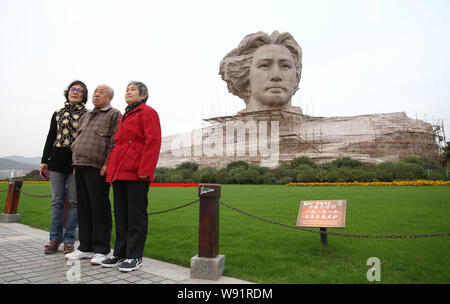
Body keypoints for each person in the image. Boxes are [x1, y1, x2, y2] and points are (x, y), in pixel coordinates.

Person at [101, 81, 161, 272]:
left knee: (136, 216)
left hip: (136, 173)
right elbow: (118, 144)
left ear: (143, 95)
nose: (128, 92)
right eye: (126, 90)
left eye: (132, 89)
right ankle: (120, 253)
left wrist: (145, 170)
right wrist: (111, 169)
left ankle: (134, 256)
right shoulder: (125, 114)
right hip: (119, 172)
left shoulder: (147, 112)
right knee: (121, 215)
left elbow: (153, 141)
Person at [65, 84, 122, 265]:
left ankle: (101, 249)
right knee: (84, 208)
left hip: (98, 167)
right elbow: (78, 138)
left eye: (101, 92)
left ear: (110, 98)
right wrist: (75, 161)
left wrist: (107, 163)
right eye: (95, 92)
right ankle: (85, 247)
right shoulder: (87, 114)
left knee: (99, 208)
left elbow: (114, 142)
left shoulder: (114, 114)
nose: (97, 95)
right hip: (80, 165)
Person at [41, 80, 88, 254]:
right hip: (57, 160)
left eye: (79, 90)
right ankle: (54, 238)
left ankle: (69, 240)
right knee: (57, 201)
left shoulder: (87, 114)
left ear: (84, 95)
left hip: (76, 161)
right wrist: (44, 159)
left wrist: (80, 160)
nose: (74, 92)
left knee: (74, 202)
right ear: (67, 92)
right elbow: (51, 136)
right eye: (72, 89)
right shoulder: (57, 113)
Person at [219, 31, 303, 113]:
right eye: (264, 66)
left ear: (296, 78)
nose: (276, 76)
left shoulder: (315, 127)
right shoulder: (227, 128)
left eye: (285, 66)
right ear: (246, 77)